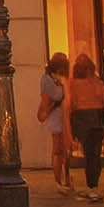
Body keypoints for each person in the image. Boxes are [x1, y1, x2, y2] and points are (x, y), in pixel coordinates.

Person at [69, 53, 104, 203]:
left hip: (82, 120)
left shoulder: (73, 85)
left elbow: (70, 105)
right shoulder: (99, 84)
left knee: (89, 155)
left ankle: (92, 188)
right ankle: (94, 187)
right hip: (97, 119)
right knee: (95, 155)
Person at [39, 52, 70, 194]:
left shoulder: (61, 79)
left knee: (64, 149)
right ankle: (58, 180)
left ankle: (66, 179)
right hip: (56, 116)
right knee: (57, 149)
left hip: (64, 115)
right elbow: (47, 101)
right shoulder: (47, 80)